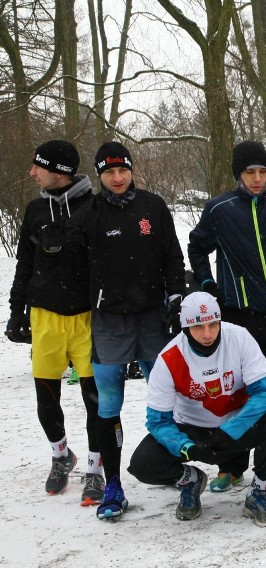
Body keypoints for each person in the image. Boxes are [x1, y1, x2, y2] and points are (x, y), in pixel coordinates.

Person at [46, 141, 186, 519]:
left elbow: (172, 254)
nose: (118, 177)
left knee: (169, 398)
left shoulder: (153, 206)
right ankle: (113, 485)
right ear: (100, 175)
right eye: (109, 172)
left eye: (123, 170)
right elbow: (71, 269)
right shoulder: (89, 214)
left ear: (131, 170)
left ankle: (176, 469)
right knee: (108, 405)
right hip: (109, 323)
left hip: (153, 320)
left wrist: (175, 295)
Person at [188, 141, 266, 491]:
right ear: (238, 174)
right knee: (237, 390)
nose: (257, 179)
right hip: (238, 317)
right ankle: (232, 464)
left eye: (262, 172)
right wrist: (209, 285)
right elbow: (196, 247)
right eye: (250, 172)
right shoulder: (220, 208)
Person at [127, 292, 266, 527]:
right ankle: (190, 480)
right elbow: (157, 421)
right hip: (194, 432)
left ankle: (258, 491)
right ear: (185, 327)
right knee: (143, 463)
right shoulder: (169, 358)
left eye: (213, 324)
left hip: (237, 427)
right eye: (198, 326)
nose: (207, 334)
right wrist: (187, 448)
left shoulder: (239, 337)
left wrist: (230, 430)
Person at [7, 140, 103, 505]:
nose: (32, 172)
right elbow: (23, 265)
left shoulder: (94, 208)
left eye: (38, 166)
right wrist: (17, 311)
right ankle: (61, 455)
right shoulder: (34, 210)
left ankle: (96, 467)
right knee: (46, 397)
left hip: (87, 318)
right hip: (45, 317)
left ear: (58, 170)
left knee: (96, 400)